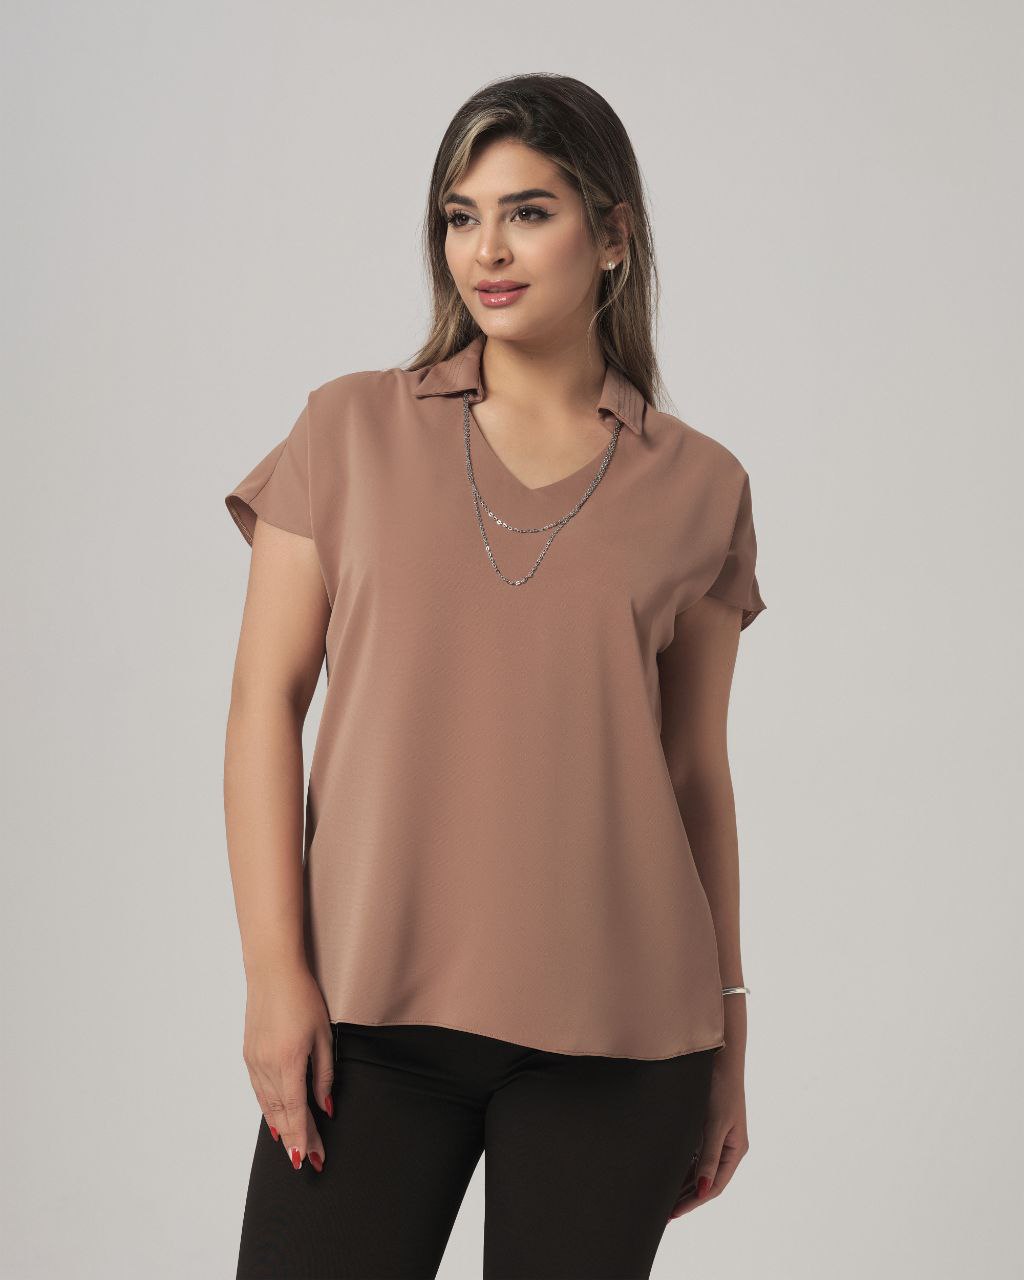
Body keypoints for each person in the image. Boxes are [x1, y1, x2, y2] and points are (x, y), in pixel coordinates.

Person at [224, 72, 766, 1280]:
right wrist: (274, 975)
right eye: (460, 216)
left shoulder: (700, 485)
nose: (487, 250)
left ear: (612, 233)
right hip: (367, 1016)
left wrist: (731, 1030)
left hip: (623, 1038)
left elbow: (693, 772)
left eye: (528, 211)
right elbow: (264, 703)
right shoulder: (346, 431)